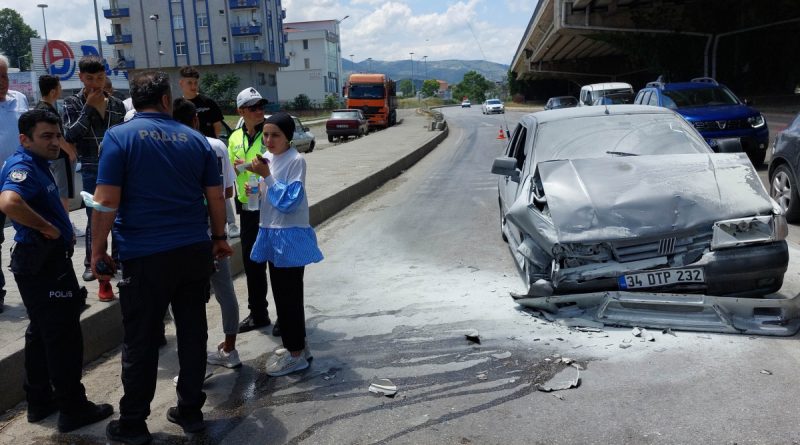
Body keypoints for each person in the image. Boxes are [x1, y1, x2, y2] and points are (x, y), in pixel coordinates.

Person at [90, 71, 232, 443]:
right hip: (192, 251)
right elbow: (216, 197)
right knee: (192, 332)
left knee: (141, 339)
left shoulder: (118, 138)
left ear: (135, 103)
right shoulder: (196, 140)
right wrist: (218, 238)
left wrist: (97, 250)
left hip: (144, 256)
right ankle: (190, 411)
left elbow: (106, 201)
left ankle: (134, 423)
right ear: (167, 100)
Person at [0, 109, 113, 432]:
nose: (54, 142)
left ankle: (39, 401)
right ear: (25, 139)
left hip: (41, 262)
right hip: (43, 262)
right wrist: (48, 227)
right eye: (46, 136)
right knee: (63, 336)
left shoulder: (37, 163)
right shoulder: (23, 166)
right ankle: (73, 408)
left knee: (41, 333)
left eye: (57, 135)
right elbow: (8, 202)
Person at [242, 112, 323, 376]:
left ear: (288, 136)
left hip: (287, 236)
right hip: (272, 232)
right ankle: (298, 346)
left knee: (288, 295)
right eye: (265, 134)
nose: (269, 139)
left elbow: (289, 201)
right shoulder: (271, 160)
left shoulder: (295, 160)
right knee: (281, 293)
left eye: (275, 134)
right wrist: (255, 177)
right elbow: (265, 194)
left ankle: (296, 353)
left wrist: (266, 176)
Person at [172, 98, 241, 369]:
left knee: (187, 298)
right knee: (225, 290)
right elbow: (226, 192)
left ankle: (194, 361)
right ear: (196, 121)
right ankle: (230, 349)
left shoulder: (171, 149)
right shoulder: (215, 146)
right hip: (216, 230)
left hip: (185, 234)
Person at [62, 55, 125, 302]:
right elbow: (70, 134)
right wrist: (89, 107)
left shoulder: (118, 104)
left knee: (120, 218)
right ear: (80, 77)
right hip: (90, 169)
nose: (96, 84)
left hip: (118, 171)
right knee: (94, 220)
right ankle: (92, 262)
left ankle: (118, 260)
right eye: (90, 78)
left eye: (99, 78)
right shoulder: (72, 103)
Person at [228, 87, 277, 334]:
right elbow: (230, 171)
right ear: (241, 111)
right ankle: (258, 314)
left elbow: (277, 163)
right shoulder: (234, 137)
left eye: (261, 106)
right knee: (252, 262)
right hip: (248, 207)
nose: (260, 111)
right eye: (253, 107)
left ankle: (286, 315)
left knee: (278, 262)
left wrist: (249, 167)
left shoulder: (271, 132)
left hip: (271, 205)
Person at [178, 66, 239, 238]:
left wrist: (210, 144)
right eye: (189, 82)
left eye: (195, 83)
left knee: (222, 188)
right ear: (181, 83)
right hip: (187, 154)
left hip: (210, 150)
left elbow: (217, 128)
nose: (193, 86)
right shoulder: (178, 105)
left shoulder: (208, 103)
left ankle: (231, 224)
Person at [0, 54, 29, 312]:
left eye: (4, 75)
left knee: (32, 231)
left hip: (22, 181)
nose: (2, 81)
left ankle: (39, 284)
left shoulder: (19, 100)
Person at [35, 75, 80, 232]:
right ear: (53, 91)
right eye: (59, 87)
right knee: (64, 193)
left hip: (47, 157)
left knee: (55, 192)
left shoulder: (39, 107)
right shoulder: (49, 110)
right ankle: (66, 225)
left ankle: (59, 223)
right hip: (60, 157)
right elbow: (57, 136)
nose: (61, 89)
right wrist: (70, 152)